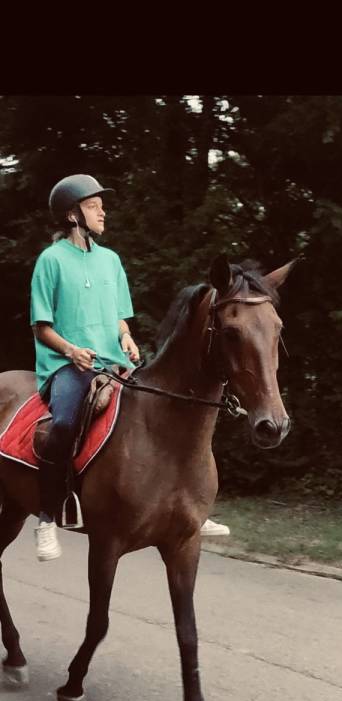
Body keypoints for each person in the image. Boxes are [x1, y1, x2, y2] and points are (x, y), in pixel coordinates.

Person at [30, 174, 229, 562]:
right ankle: (49, 516)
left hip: (114, 362)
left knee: (169, 417)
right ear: (72, 215)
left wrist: (125, 336)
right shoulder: (51, 261)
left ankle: (188, 507)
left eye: (101, 205)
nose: (102, 211)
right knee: (65, 424)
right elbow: (41, 326)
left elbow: (119, 317)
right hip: (68, 366)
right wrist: (72, 351)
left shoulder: (111, 261)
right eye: (93, 206)